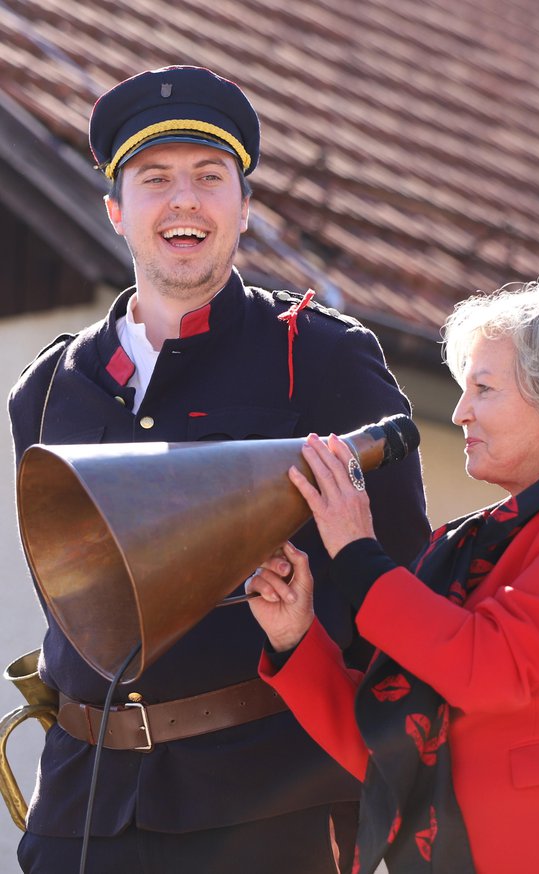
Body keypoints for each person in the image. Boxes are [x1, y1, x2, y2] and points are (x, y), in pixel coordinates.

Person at [7, 65, 430, 874]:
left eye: (210, 178)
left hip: (269, 812)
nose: (184, 202)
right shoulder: (49, 386)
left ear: (244, 208)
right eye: (154, 180)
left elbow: (405, 593)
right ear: (116, 211)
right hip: (82, 814)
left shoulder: (324, 358)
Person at [247, 276, 539, 874]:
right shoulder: (467, 544)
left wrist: (359, 555)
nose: (460, 411)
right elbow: (392, 750)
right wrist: (296, 637)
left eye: (484, 389)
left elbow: (491, 665)